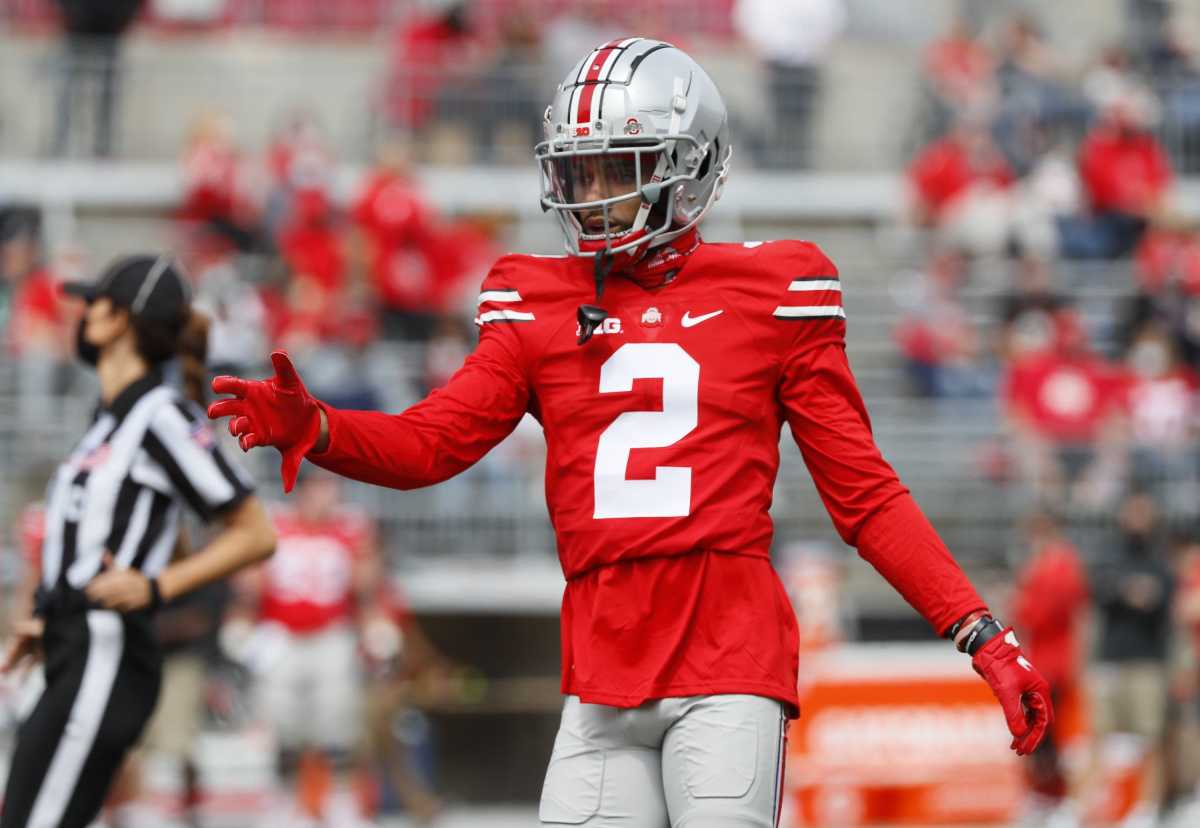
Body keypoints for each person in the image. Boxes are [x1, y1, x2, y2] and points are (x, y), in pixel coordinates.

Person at [208, 39, 1053, 827]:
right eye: (579, 172)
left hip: (727, 655)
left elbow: (864, 497)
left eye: (620, 168)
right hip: (602, 668)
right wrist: (321, 427)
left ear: (691, 168)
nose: (593, 194)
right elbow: (433, 443)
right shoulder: (534, 299)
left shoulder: (776, 289)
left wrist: (981, 633)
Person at [0, 254, 276, 828]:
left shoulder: (159, 416)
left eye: (92, 302)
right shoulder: (108, 420)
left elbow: (255, 532)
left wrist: (155, 586)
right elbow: (153, 533)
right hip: (74, 642)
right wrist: (52, 616)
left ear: (120, 317)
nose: (82, 316)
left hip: (107, 646)